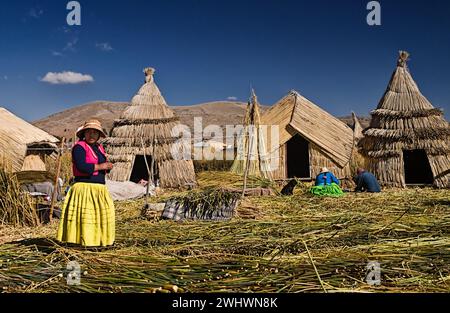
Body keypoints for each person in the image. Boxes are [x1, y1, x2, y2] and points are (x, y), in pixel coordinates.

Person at [57, 119, 115, 247]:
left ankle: (98, 241)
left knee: (99, 217)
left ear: (99, 135)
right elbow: (82, 166)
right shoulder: (79, 147)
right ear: (84, 133)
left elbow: (100, 164)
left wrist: (107, 166)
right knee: (86, 218)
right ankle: (82, 242)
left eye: (95, 132)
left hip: (99, 189)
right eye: (89, 132)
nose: (92, 135)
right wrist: (101, 166)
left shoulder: (99, 148)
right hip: (84, 189)